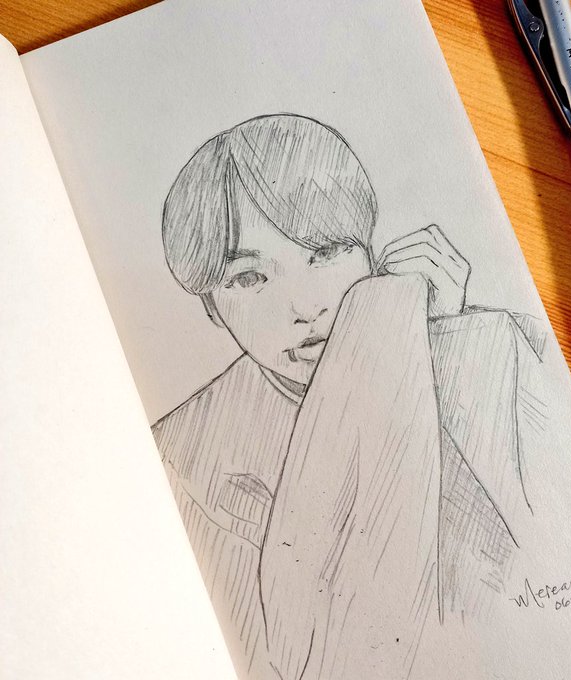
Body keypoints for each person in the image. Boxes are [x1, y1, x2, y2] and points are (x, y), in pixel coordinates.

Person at [152, 113, 544, 680]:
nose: (305, 306)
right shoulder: (180, 460)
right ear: (212, 307)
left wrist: (452, 343)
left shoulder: (500, 343)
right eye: (250, 279)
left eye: (326, 252)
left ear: (371, 255)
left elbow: (543, 557)